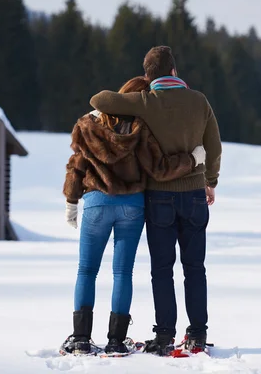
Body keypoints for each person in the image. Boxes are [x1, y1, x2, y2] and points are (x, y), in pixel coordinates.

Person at [89, 46, 222, 355]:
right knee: (195, 268)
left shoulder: (145, 101)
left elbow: (99, 100)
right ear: (174, 71)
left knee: (162, 269)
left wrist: (142, 90)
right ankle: (198, 335)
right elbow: (213, 148)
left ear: (148, 76)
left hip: (159, 197)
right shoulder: (199, 101)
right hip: (193, 195)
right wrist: (210, 182)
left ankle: (164, 335)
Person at [60, 76, 206, 356]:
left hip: (96, 202)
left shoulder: (89, 124)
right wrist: (193, 159)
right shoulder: (141, 130)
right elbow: (161, 169)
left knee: (86, 270)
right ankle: (116, 341)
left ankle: (80, 339)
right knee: (122, 272)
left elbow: (76, 165)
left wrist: (71, 200)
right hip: (132, 205)